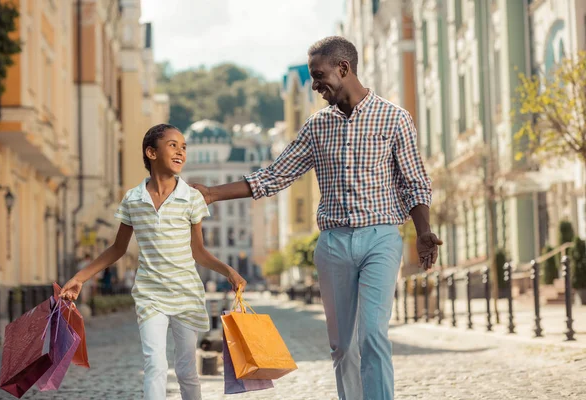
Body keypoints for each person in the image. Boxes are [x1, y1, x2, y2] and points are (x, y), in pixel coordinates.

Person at [190, 36, 442, 400]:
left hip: (381, 238)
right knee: (342, 346)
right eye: (311, 77)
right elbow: (275, 175)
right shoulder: (317, 126)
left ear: (344, 68)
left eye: (319, 74)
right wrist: (212, 194)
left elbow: (414, 181)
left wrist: (423, 232)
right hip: (334, 244)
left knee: (372, 335)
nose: (315, 84)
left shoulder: (395, 118)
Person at [60, 123, 247, 400]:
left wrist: (229, 271)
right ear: (151, 152)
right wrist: (80, 278)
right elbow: (117, 248)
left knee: (186, 370)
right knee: (154, 364)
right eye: (173, 145)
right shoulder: (133, 199)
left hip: (186, 294)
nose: (181, 151)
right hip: (150, 295)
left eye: (183, 147)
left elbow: (199, 252)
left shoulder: (192, 198)